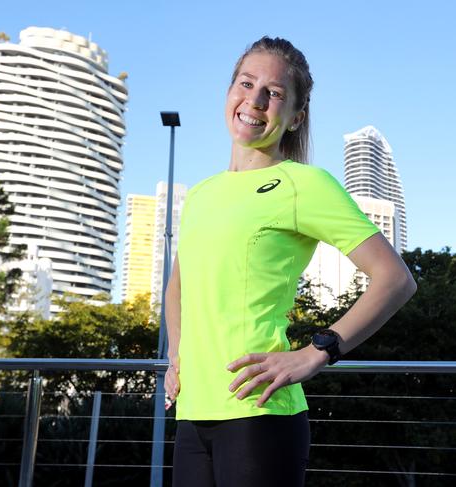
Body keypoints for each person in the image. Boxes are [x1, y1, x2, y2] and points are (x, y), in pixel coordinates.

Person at [163, 36, 417, 487]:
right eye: (246, 83)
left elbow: (395, 279)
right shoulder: (201, 194)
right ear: (229, 92)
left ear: (296, 117)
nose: (254, 100)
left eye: (273, 93)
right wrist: (177, 355)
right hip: (193, 414)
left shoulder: (304, 184)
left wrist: (316, 353)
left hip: (260, 416)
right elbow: (180, 282)